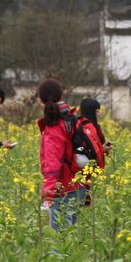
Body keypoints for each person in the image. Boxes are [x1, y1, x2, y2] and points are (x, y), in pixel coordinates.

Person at [37, 78, 87, 229]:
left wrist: (48, 193)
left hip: (62, 189)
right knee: (72, 235)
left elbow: (52, 164)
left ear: (41, 99)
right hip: (79, 185)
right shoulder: (72, 119)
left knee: (59, 238)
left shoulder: (53, 127)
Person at [74, 97, 110, 171]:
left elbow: (98, 144)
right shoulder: (84, 127)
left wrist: (103, 148)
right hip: (86, 171)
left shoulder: (94, 126)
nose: (98, 114)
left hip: (95, 169)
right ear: (90, 112)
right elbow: (84, 149)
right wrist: (102, 149)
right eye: (96, 112)